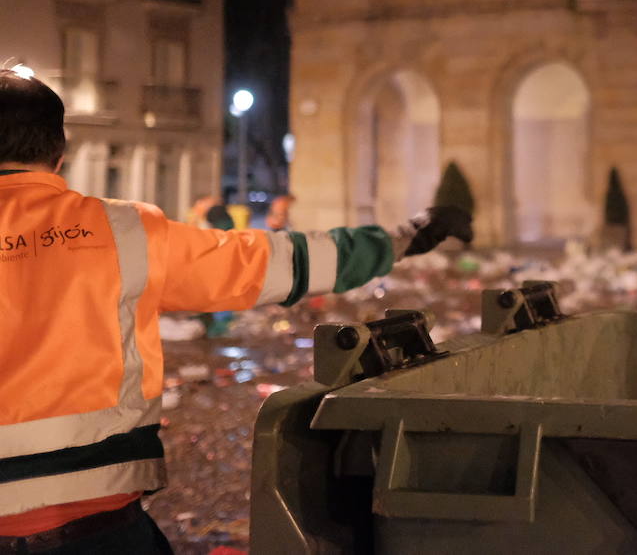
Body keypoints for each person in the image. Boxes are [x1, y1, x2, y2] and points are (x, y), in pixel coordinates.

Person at [0, 70, 472, 552]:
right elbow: (273, 263)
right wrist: (408, 236)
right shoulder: (124, 233)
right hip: (97, 524)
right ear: (59, 154)